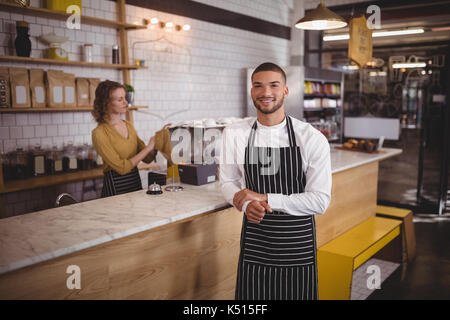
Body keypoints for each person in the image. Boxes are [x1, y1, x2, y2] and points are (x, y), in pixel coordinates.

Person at [219, 62, 332, 300]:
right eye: (258, 86)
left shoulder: (310, 138)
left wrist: (264, 197)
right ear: (251, 91)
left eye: (274, 85)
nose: (265, 92)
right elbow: (227, 182)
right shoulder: (235, 133)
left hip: (297, 247)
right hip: (256, 244)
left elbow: (320, 201)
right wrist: (247, 205)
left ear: (286, 91)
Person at [91, 80, 171, 197]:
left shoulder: (128, 125)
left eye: (125, 98)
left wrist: (159, 139)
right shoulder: (99, 133)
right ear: (106, 103)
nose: (126, 102)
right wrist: (148, 147)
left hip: (134, 183)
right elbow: (122, 168)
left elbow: (147, 158)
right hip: (115, 188)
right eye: (120, 99)